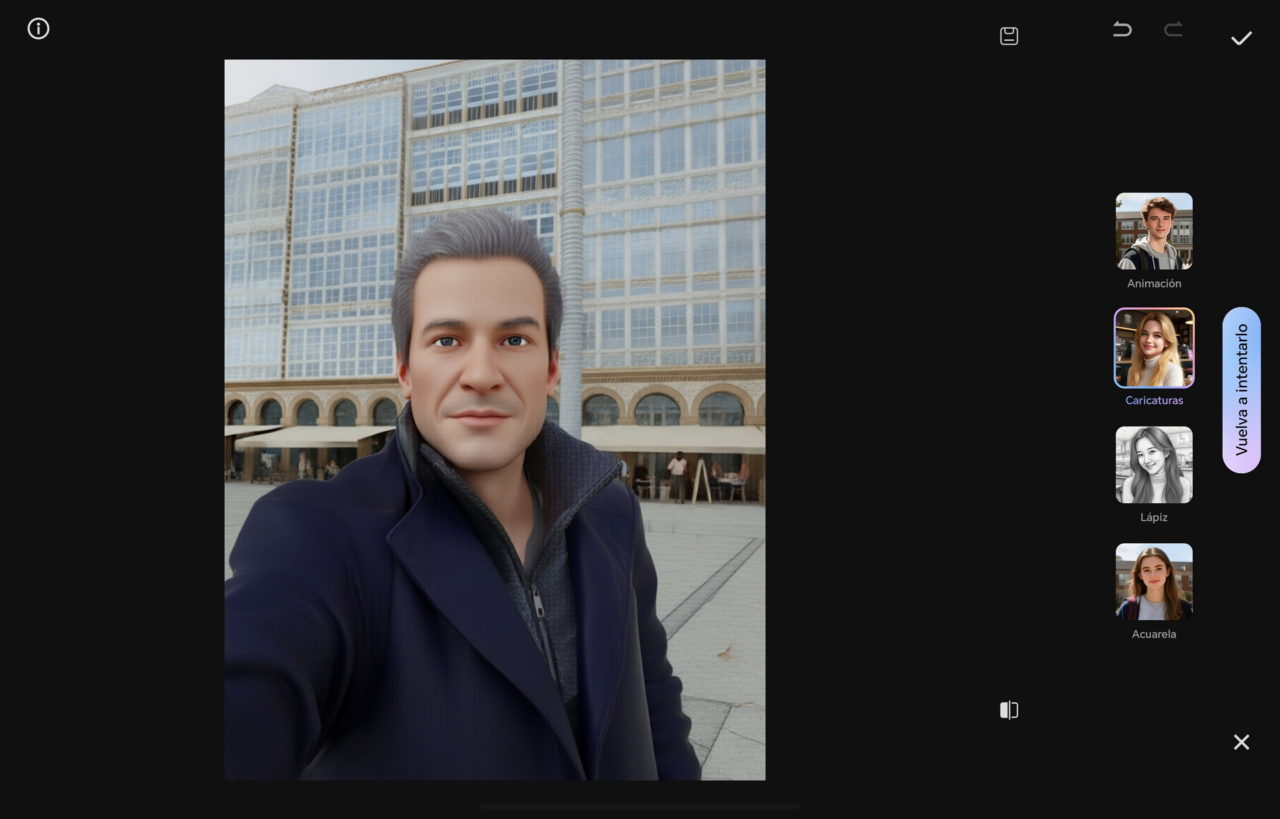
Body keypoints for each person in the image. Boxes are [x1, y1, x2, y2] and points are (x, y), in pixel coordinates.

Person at [225, 210, 700, 780]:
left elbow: (653, 705)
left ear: (551, 369)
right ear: (405, 369)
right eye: (447, 339)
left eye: (514, 338)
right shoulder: (317, 536)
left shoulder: (610, 512)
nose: (481, 373)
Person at [1116, 547, 1193, 620]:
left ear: (1168, 571)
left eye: (1159, 568)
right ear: (1140, 575)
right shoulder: (1128, 608)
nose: (1153, 575)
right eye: (1147, 570)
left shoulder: (1185, 609)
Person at [1120, 427, 1192, 503]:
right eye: (1140, 455)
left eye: (1152, 451)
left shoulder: (1183, 484)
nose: (1146, 460)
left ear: (1166, 452)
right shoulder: (1130, 483)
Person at [1118, 197, 1183, 270]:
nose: (1161, 224)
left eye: (1166, 218)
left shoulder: (1177, 261)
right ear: (1145, 223)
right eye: (1154, 219)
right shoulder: (1132, 259)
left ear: (1171, 222)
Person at [1123, 311, 1184, 387]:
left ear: (1167, 342)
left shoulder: (1173, 371)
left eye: (1157, 335)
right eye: (1144, 334)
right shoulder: (1132, 370)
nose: (1148, 340)